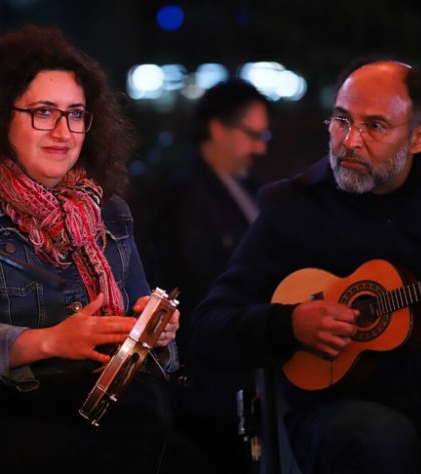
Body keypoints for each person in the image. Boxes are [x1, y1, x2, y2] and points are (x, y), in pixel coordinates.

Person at [189, 57, 421, 473]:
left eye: (375, 126)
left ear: (419, 138)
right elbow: (208, 328)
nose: (349, 141)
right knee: (377, 438)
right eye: (341, 120)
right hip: (341, 415)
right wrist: (288, 324)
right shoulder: (291, 207)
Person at [0, 25, 207, 474]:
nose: (63, 131)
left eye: (76, 114)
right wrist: (52, 342)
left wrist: (154, 332)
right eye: (43, 112)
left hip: (93, 413)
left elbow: (139, 336)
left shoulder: (109, 210)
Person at [149, 79, 270, 473]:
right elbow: (199, 282)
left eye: (262, 135)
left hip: (243, 359)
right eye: (252, 134)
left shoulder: (248, 186)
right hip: (209, 376)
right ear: (218, 127)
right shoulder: (185, 193)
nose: (260, 147)